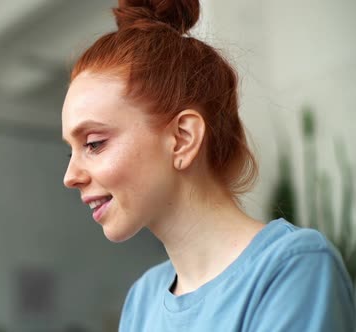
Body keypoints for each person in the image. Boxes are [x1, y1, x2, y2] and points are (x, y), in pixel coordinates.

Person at [60, 0, 356, 331]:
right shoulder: (142, 300)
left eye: (93, 144)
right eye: (70, 151)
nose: (70, 177)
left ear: (183, 138)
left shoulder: (292, 267)